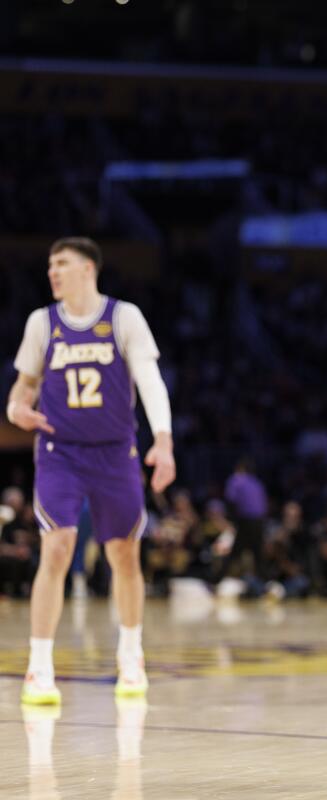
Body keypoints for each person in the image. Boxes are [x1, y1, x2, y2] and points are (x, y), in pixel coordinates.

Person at [6, 237, 175, 704]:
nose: (52, 272)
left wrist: (162, 440)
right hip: (60, 452)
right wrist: (17, 409)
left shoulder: (124, 317)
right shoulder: (42, 323)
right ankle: (39, 668)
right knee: (56, 547)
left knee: (124, 555)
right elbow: (22, 389)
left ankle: (131, 655)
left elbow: (149, 381)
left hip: (115, 452)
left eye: (60, 264)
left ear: (87, 269)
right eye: (49, 265)